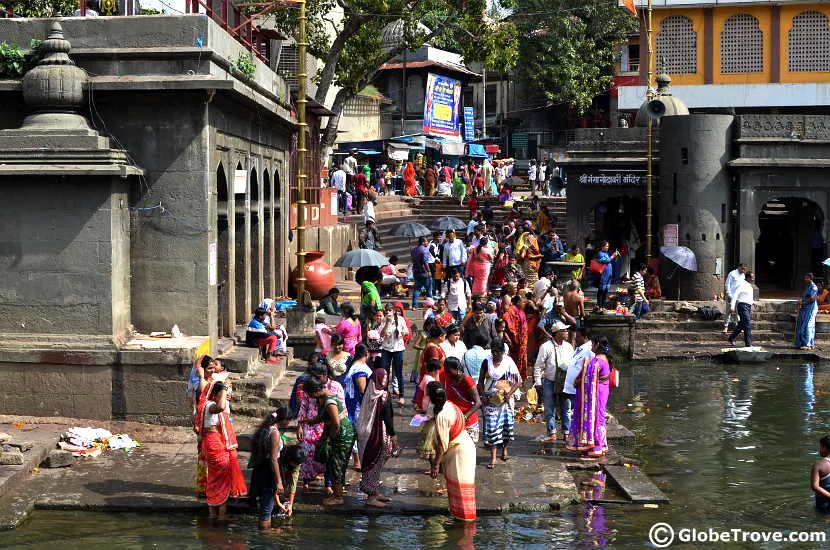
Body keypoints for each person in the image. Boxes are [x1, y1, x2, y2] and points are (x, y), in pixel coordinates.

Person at [300, 377, 356, 506]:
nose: (310, 397)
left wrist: (330, 438)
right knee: (335, 462)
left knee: (336, 464)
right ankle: (338, 492)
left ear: (315, 391)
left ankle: (338, 497)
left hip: (342, 434)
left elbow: (336, 423)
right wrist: (310, 421)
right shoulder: (326, 396)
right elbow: (324, 417)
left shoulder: (330, 402)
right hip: (339, 432)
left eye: (309, 394)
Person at [426, 382, 477, 521]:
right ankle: (459, 518)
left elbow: (442, 445)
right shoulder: (449, 405)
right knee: (456, 488)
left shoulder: (442, 415)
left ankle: (465, 522)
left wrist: (436, 465)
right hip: (462, 446)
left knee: (461, 487)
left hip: (460, 453)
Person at [199, 382, 247, 519]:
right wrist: (225, 389)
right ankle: (221, 517)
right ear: (214, 395)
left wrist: (225, 394)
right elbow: (220, 407)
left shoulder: (206, 405)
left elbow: (223, 408)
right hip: (216, 446)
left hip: (211, 443)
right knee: (222, 479)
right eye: (222, 395)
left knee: (213, 478)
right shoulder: (209, 406)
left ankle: (212, 515)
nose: (224, 398)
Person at [296, 364, 344, 490]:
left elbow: (342, 408)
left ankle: (328, 483)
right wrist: (300, 426)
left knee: (328, 453)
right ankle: (306, 479)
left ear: (324, 376)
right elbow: (303, 407)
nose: (314, 379)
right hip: (310, 425)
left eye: (316, 377)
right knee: (305, 447)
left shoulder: (335, 387)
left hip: (327, 425)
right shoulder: (310, 385)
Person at [357, 368, 400, 507]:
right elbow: (387, 417)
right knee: (375, 461)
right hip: (377, 434)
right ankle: (371, 496)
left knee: (372, 461)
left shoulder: (370, 390)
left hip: (365, 432)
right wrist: (393, 436)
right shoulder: (383, 395)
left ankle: (374, 491)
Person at [478, 338, 521, 469]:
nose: (496, 355)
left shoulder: (508, 361)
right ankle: (493, 457)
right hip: (490, 400)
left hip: (506, 400)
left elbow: (518, 381)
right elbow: (480, 381)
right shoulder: (487, 362)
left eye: (498, 352)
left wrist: (509, 393)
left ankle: (505, 450)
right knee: (492, 428)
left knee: (507, 425)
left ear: (503, 352)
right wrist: (483, 396)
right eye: (493, 352)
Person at [566, 336, 613, 459]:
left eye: (592, 344)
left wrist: (577, 382)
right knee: (599, 418)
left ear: (597, 345)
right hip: (602, 392)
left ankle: (594, 448)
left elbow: (587, 380)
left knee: (594, 418)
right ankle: (599, 447)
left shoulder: (596, 361)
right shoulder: (606, 359)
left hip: (595, 394)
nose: (591, 347)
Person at [249, 407, 291, 529]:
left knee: (265, 505)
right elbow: (273, 459)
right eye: (289, 420)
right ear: (284, 420)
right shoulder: (275, 433)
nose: (289, 423)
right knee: (266, 509)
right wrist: (279, 481)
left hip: (260, 469)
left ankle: (264, 533)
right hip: (269, 473)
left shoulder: (264, 429)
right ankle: (265, 535)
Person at [534, 321, 575, 442]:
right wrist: (538, 382)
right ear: (557, 333)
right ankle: (552, 432)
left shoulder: (568, 347)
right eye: (564, 331)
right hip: (550, 381)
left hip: (565, 382)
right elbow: (538, 366)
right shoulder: (546, 347)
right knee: (549, 408)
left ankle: (566, 432)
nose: (567, 332)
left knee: (566, 408)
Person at [443, 357, 482, 443]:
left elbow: (478, 403)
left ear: (457, 369)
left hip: (468, 421)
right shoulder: (449, 378)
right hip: (454, 420)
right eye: (446, 371)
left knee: (468, 450)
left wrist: (464, 417)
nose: (447, 373)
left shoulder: (467, 380)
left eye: (449, 371)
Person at [381, 306, 409, 406]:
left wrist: (403, 332)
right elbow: (382, 334)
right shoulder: (384, 320)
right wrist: (387, 324)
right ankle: (384, 393)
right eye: (387, 310)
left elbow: (407, 331)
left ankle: (401, 396)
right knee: (385, 372)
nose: (388, 312)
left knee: (398, 372)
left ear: (393, 311)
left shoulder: (401, 320)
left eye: (390, 310)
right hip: (386, 349)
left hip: (398, 349)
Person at [414, 326, 447, 406]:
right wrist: (437, 383)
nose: (445, 338)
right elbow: (434, 368)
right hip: (434, 379)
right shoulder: (433, 348)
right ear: (440, 337)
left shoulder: (435, 345)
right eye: (445, 336)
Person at [502, 294, 529, 379]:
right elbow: (508, 322)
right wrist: (515, 337)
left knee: (522, 360)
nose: (524, 304)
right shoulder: (511, 311)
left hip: (522, 342)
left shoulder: (520, 311)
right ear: (518, 302)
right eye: (523, 302)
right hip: (515, 343)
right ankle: (514, 378)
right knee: (514, 361)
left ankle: (520, 377)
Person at [728, 271, 755, 348]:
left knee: (742, 325)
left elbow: (748, 297)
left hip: (747, 306)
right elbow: (735, 295)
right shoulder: (741, 285)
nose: (753, 279)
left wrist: (752, 303)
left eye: (753, 277)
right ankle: (748, 344)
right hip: (742, 306)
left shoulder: (750, 286)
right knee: (747, 324)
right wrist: (732, 307)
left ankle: (731, 338)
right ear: (747, 278)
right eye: (752, 277)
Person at [594, 242, 620, 313]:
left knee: (605, 291)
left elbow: (610, 261)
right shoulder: (600, 253)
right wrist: (612, 256)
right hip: (603, 275)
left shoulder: (607, 254)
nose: (607, 247)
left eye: (608, 246)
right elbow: (605, 260)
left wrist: (615, 257)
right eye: (606, 246)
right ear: (602, 247)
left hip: (608, 275)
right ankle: (599, 306)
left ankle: (603, 306)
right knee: (601, 291)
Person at [796, 273, 819, 350]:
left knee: (809, 325)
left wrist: (803, 303)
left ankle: (808, 344)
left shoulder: (814, 287)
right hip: (805, 307)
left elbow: (812, 299)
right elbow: (804, 296)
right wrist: (800, 303)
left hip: (811, 308)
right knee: (802, 324)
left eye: (806, 278)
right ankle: (804, 343)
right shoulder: (806, 286)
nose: (805, 279)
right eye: (805, 278)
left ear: (810, 278)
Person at [723, 263, 748, 333]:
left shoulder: (743, 275)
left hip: (739, 296)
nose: (743, 271)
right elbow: (727, 284)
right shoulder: (732, 273)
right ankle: (725, 327)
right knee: (729, 311)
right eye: (742, 269)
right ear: (739, 267)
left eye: (745, 270)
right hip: (731, 295)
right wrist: (729, 294)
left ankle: (739, 326)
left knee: (739, 312)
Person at [411, 236, 434, 309]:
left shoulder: (414, 250)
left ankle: (414, 306)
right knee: (429, 289)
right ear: (423, 242)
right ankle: (430, 305)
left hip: (416, 271)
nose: (427, 243)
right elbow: (425, 262)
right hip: (424, 272)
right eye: (426, 241)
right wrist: (429, 271)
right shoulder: (425, 250)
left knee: (417, 290)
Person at [811, 435, 830, 512]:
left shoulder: (819, 465)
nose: (819, 450)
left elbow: (815, 487)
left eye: (820, 447)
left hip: (823, 504)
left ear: (825, 447)